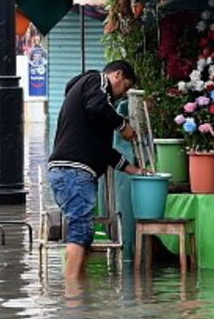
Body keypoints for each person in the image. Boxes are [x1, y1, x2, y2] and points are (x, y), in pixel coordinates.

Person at [48, 60, 150, 279]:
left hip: (70, 171)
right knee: (80, 230)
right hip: (74, 171)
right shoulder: (96, 82)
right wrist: (123, 126)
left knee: (84, 232)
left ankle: (79, 292)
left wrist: (135, 170)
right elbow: (98, 107)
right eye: (125, 88)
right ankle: (72, 292)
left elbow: (104, 151)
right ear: (117, 75)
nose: (122, 95)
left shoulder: (96, 106)